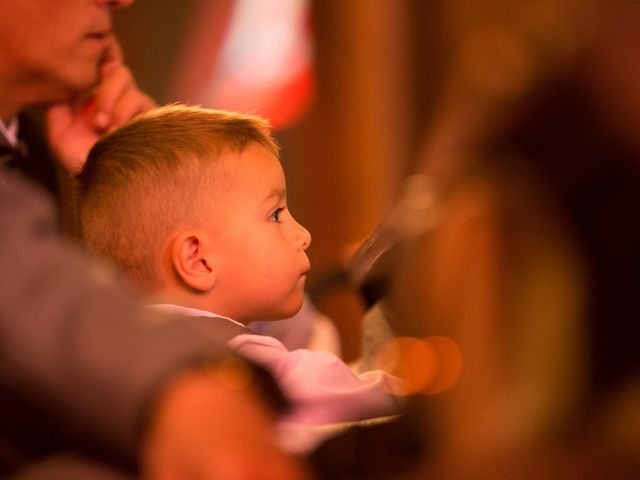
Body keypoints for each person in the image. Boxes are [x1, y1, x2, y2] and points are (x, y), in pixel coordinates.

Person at [0, 0, 309, 478]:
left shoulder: (28, 146)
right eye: (275, 214)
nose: (122, 1)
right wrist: (184, 385)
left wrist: (138, 182)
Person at [76, 104, 403, 453]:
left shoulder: (112, 364)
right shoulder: (235, 363)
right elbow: (366, 397)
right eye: (276, 214)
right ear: (198, 259)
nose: (303, 235)